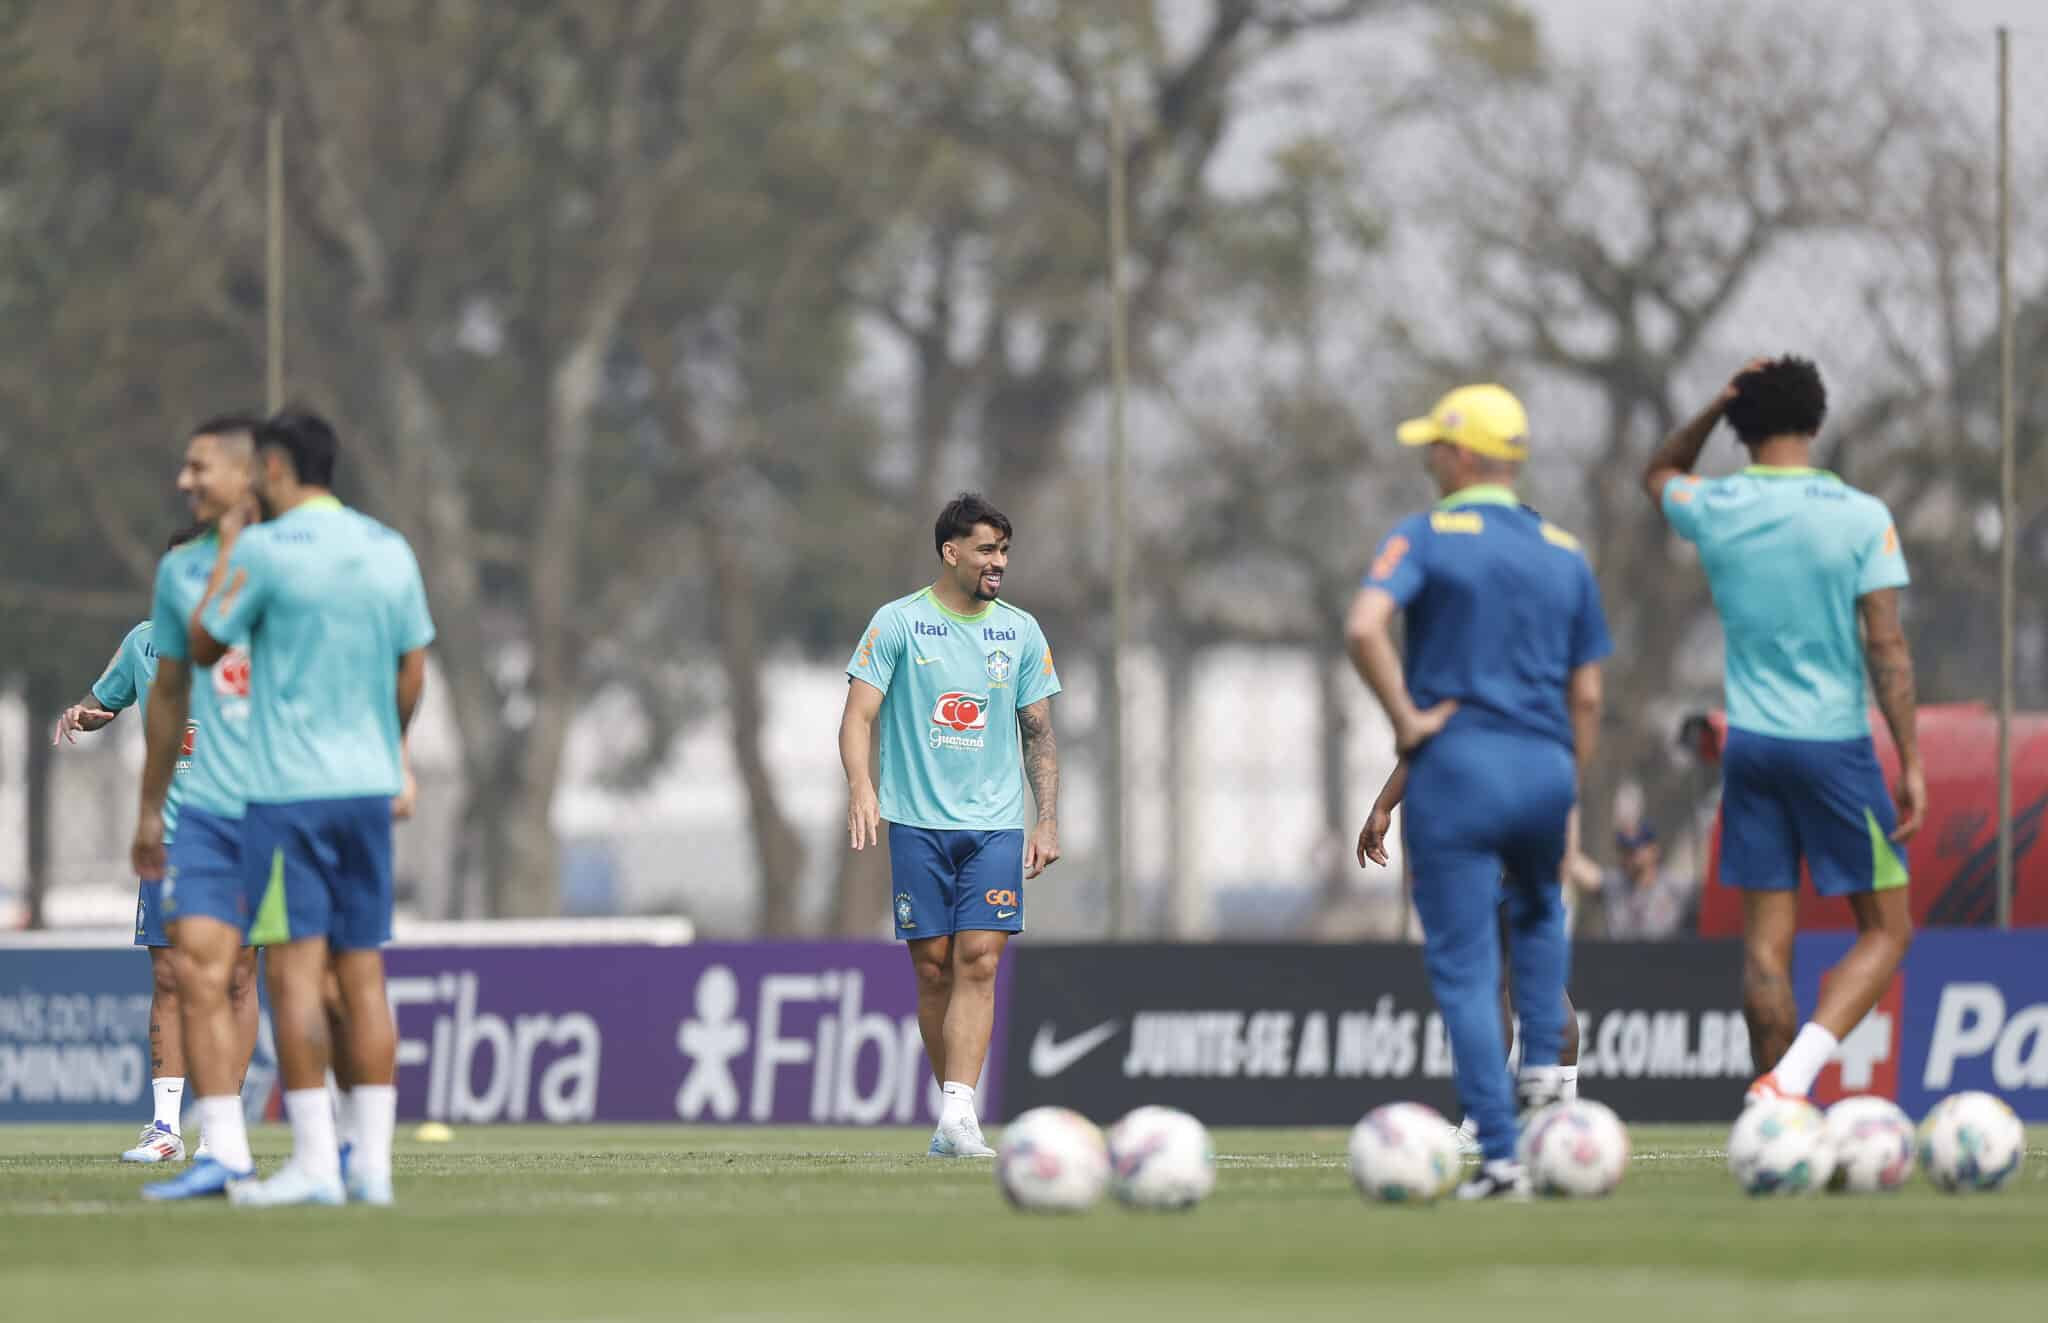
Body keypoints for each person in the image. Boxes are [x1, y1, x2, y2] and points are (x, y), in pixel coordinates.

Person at [1346, 384, 1609, 1198]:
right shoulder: (1564, 551)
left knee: (1465, 969)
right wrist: (1569, 794)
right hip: (1542, 771)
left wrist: (1402, 719)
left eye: (1435, 445)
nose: (1428, 458)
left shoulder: (1425, 535)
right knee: (1535, 933)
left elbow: (1364, 629)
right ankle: (1547, 1096)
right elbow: (1588, 695)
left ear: (1463, 454)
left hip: (1459, 774)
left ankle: (1498, 1154)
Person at [1644, 356, 1921, 1106]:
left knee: (1767, 950)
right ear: (1818, 421)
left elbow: (1660, 468)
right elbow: (1886, 647)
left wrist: (1714, 401)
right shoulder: (1861, 515)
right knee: (1888, 931)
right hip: (1834, 745)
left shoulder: (1718, 504)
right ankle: (1789, 1082)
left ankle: (1778, 1117)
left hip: (1751, 749)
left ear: (1739, 430)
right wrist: (1913, 759)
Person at [187, 408, 435, 1207]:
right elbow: (412, 669)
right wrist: (388, 747)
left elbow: (203, 642)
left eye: (259, 466)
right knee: (363, 976)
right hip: (367, 789)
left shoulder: (262, 548)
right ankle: (376, 1168)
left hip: (287, 794)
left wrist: (230, 542)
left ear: (280, 469)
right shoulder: (387, 546)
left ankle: (317, 1164)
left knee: (294, 976)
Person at [838, 493, 1061, 1158]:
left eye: (1005, 551)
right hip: (915, 822)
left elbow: (1040, 735)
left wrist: (1044, 818)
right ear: (952, 551)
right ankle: (955, 1114)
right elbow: (858, 715)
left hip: (994, 825)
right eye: (988, 549)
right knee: (933, 968)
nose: (999, 562)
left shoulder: (1019, 631)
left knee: (979, 960)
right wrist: (861, 787)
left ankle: (959, 1109)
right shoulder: (899, 623)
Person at [56, 524, 263, 1164]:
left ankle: (223, 1132)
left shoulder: (254, 640)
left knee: (236, 977)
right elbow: (104, 700)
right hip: (172, 839)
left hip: (245, 830)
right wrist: (83, 714)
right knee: (171, 976)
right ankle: (166, 1128)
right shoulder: (144, 643)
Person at [1359, 762, 1588, 1158]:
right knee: (1496, 978)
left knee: (1505, 979)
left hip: (1489, 827)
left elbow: (1425, 737)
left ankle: (1555, 1122)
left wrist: (1384, 805)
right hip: (1523, 817)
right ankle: (1533, 1120)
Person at [1595, 822, 1695, 941]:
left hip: (1665, 957)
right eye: (1624, 849)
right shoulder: (1614, 884)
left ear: (1654, 850)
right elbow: (1578, 867)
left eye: (1634, 849)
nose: (1628, 855)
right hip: (1622, 957)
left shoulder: (1676, 886)